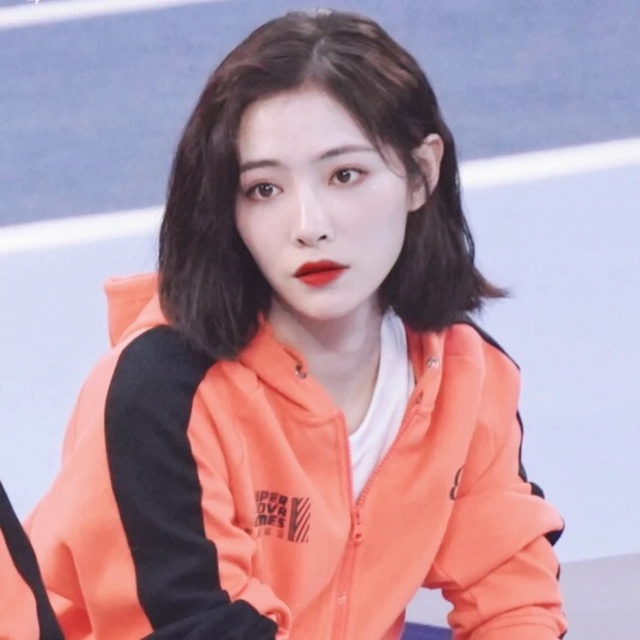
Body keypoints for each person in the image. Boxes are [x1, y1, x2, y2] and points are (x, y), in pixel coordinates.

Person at [0, 9, 567, 639]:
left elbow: (514, 597)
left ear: (420, 174)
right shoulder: (158, 396)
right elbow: (197, 626)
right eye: (263, 189)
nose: (309, 225)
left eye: (345, 175)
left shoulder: (462, 375)